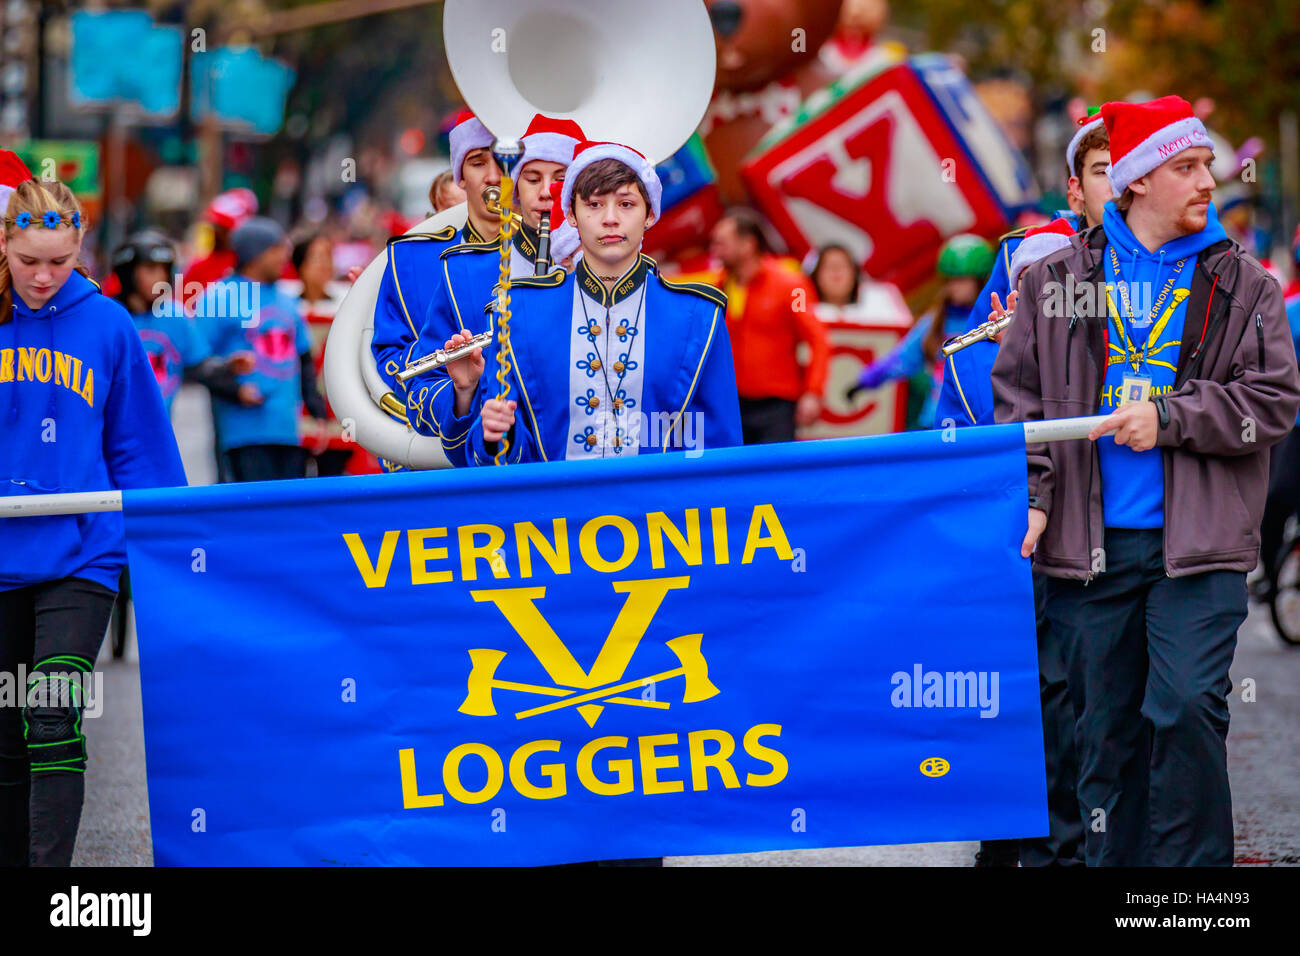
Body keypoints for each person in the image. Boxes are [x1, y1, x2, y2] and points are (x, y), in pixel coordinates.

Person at [992, 95, 1300, 866]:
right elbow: (1019, 401)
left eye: (1207, 166)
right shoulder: (1056, 279)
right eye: (1186, 167)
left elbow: (1273, 402)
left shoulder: (1245, 285)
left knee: (1187, 709)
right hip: (1088, 548)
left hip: (1198, 546)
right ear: (1136, 181)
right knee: (1107, 736)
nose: (1208, 181)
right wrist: (1035, 495)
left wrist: (1168, 418)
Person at [0, 174, 186, 866]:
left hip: (83, 555)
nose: (43, 277)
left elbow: (139, 448)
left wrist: (177, 550)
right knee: (5, 730)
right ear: (4, 243)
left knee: (52, 714)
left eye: (59, 261)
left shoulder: (109, 325)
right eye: (28, 260)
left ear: (81, 248)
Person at [439, 140, 742, 467]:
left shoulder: (699, 314)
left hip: (658, 501)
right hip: (555, 502)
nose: (610, 219)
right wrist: (496, 431)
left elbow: (716, 450)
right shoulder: (515, 310)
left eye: (626, 204)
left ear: (650, 213)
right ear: (571, 214)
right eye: (594, 204)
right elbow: (495, 457)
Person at [403, 115, 587, 461]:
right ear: (513, 189)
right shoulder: (463, 273)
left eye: (561, 179)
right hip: (503, 472)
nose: (546, 192)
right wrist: (463, 391)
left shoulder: (612, 272)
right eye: (532, 178)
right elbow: (420, 388)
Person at [936, 110, 1112, 430]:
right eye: (1102, 171)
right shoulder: (1024, 251)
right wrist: (1020, 351)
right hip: (1023, 427)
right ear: (1075, 192)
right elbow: (975, 364)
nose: (1116, 183)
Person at [195, 217, 328, 482]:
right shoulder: (218, 297)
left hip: (289, 432)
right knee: (249, 507)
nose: (284, 257)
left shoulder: (285, 299)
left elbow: (302, 356)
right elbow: (196, 363)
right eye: (277, 249)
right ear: (255, 254)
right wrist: (234, 390)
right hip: (242, 435)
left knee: (288, 505)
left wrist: (317, 410)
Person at [847, 234, 992, 431]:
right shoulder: (936, 321)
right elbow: (902, 358)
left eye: (962, 280)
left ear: (981, 281)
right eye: (950, 280)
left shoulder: (991, 319)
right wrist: (865, 380)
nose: (954, 287)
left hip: (979, 421)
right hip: (937, 420)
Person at [710, 207, 828, 444]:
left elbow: (818, 339)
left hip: (776, 406)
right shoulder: (720, 285)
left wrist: (813, 392)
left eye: (722, 243)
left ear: (748, 245)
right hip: (731, 402)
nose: (715, 250)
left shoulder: (792, 286)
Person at [111, 230, 256, 417]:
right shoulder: (109, 316)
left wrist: (227, 367)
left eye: (164, 269)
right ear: (128, 273)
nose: (160, 277)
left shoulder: (174, 315)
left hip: (159, 426)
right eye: (150, 269)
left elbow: (198, 366)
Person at [280, 233, 375, 476]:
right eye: (317, 258)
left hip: (336, 407)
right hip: (294, 408)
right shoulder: (284, 304)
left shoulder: (348, 299)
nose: (324, 264)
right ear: (300, 264)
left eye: (328, 257)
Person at [181, 188, 258, 305]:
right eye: (217, 226)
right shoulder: (199, 268)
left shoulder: (255, 265)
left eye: (225, 229)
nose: (218, 232)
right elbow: (182, 308)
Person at [808, 243, 860, 309]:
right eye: (829, 266)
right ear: (816, 275)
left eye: (842, 265)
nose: (836, 270)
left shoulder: (869, 311)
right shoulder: (802, 311)